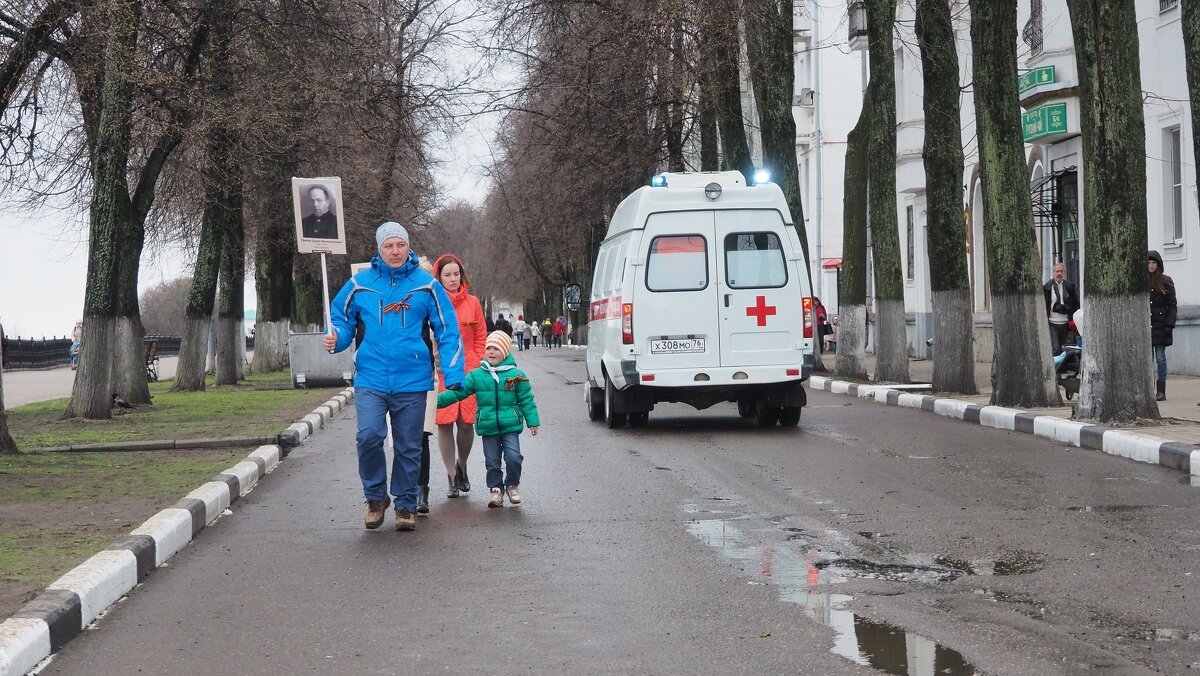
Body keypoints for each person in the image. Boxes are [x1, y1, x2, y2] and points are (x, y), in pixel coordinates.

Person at [324, 222, 464, 532]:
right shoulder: (360, 284)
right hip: (371, 378)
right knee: (369, 436)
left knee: (408, 445)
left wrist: (453, 375)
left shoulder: (427, 285)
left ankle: (404, 503)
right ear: (379, 249)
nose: (395, 251)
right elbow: (341, 319)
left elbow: (448, 330)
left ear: (408, 247)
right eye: (389, 246)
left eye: (400, 245)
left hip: (412, 379)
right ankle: (376, 498)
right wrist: (337, 338)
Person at [437, 331, 540, 508]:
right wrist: (435, 402)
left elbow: (526, 399)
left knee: (514, 457)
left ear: (505, 352)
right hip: (488, 426)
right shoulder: (477, 375)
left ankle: (512, 485)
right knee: (492, 461)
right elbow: (458, 392)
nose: (491, 352)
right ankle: (496, 490)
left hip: (510, 426)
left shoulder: (516, 374)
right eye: (489, 348)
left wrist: (533, 421)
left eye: (496, 349)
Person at [434, 253, 489, 497]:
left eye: (456, 274)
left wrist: (477, 362)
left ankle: (462, 465)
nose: (453, 279)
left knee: (467, 423)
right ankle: (451, 476)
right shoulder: (432, 301)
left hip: (469, 369)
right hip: (441, 370)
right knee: (444, 424)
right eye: (448, 275)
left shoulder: (473, 303)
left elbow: (481, 336)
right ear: (439, 277)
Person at [1148, 250, 1177, 402]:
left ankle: (1161, 390)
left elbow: (1172, 305)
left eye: (1154, 263)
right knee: (1148, 359)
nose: (1151, 266)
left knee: (1160, 358)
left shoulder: (1166, 281)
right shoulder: (1142, 281)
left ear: (1158, 264)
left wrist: (1170, 323)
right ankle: (1149, 389)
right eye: (1149, 263)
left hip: (1161, 326)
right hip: (1147, 326)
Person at [1042, 262, 1079, 356]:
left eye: (1061, 271)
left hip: (1066, 323)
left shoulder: (1070, 287)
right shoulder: (1047, 288)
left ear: (1064, 273)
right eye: (1057, 271)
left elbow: (1075, 304)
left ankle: (1062, 369)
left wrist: (1073, 319)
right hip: (1052, 323)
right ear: (1053, 272)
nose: (1059, 273)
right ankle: (1055, 369)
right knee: (1056, 348)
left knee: (1064, 349)